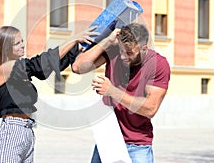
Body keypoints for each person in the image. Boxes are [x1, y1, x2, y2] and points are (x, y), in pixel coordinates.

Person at [0, 25, 97, 163]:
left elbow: (47, 69)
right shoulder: (6, 68)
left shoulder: (18, 70)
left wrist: (78, 47)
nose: (22, 45)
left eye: (22, 41)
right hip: (11, 133)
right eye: (17, 43)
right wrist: (74, 39)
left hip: (26, 132)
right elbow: (40, 64)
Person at [72, 22, 170, 163]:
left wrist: (112, 91)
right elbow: (77, 67)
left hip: (137, 144)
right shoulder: (114, 51)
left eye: (129, 53)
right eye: (121, 51)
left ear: (144, 49)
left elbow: (150, 108)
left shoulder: (158, 64)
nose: (123, 57)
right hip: (108, 139)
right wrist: (108, 41)